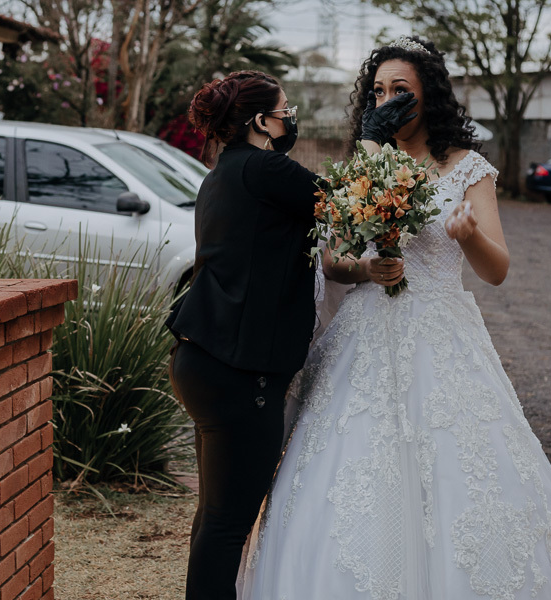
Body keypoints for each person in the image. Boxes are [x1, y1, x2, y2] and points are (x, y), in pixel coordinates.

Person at [237, 36, 551, 600]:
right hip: (363, 337)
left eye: (400, 90)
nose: (388, 101)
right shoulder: (363, 165)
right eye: (379, 91)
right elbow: (333, 261)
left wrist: (468, 234)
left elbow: (498, 270)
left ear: (428, 95)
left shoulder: (468, 168)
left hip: (443, 337)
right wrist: (367, 269)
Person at [165, 69, 415, 600]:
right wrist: (371, 137)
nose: (291, 119)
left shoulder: (223, 172)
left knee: (215, 516)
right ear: (261, 121)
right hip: (238, 373)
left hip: (201, 359)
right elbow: (351, 203)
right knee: (228, 524)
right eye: (286, 111)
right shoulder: (264, 168)